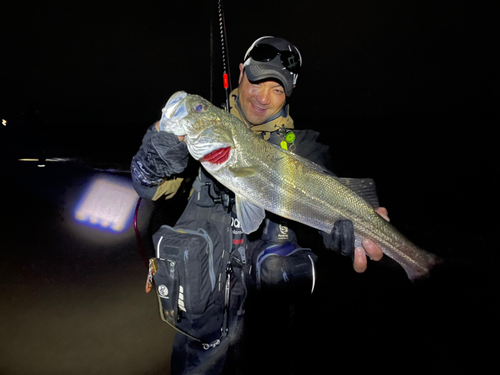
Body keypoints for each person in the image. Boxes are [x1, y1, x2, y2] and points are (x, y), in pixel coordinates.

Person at [131, 36, 389, 375]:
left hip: (269, 341)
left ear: (288, 96)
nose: (262, 97)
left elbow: (325, 205)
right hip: (199, 338)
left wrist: (337, 235)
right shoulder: (202, 139)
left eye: (277, 89)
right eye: (256, 80)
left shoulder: (305, 147)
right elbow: (147, 187)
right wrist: (160, 147)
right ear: (240, 73)